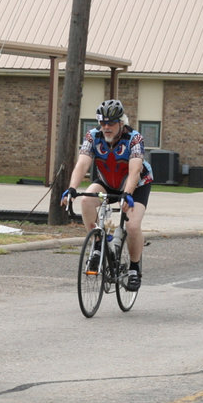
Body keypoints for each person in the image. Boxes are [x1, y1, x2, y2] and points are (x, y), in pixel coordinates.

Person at [60, 99, 153, 291]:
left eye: (111, 123)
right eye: (102, 123)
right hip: (108, 182)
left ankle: (134, 269)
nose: (106, 127)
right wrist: (72, 189)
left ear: (121, 122)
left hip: (137, 185)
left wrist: (127, 194)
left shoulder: (134, 139)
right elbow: (82, 164)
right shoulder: (93, 136)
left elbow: (135, 171)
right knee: (86, 200)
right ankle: (98, 244)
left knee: (132, 225)